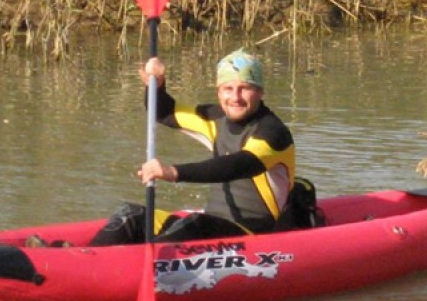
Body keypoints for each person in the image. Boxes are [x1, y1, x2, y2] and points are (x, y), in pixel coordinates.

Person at [88, 48, 318, 246]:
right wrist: (156, 86)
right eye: (228, 88)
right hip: (210, 224)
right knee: (131, 216)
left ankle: (141, 264)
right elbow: (164, 112)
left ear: (260, 91)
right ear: (218, 92)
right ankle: (82, 260)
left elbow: (238, 165)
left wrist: (174, 172)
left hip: (252, 235)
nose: (235, 97)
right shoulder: (215, 118)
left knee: (195, 224)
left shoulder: (272, 132)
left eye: (245, 88)